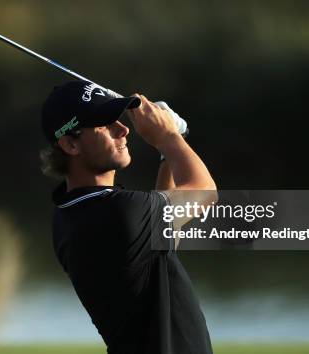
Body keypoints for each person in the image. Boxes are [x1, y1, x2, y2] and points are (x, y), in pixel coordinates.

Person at [40, 80, 217, 354]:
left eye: (117, 120)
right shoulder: (118, 211)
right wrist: (169, 137)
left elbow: (162, 239)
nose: (122, 129)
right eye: (103, 125)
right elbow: (204, 193)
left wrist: (166, 155)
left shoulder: (71, 213)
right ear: (70, 144)